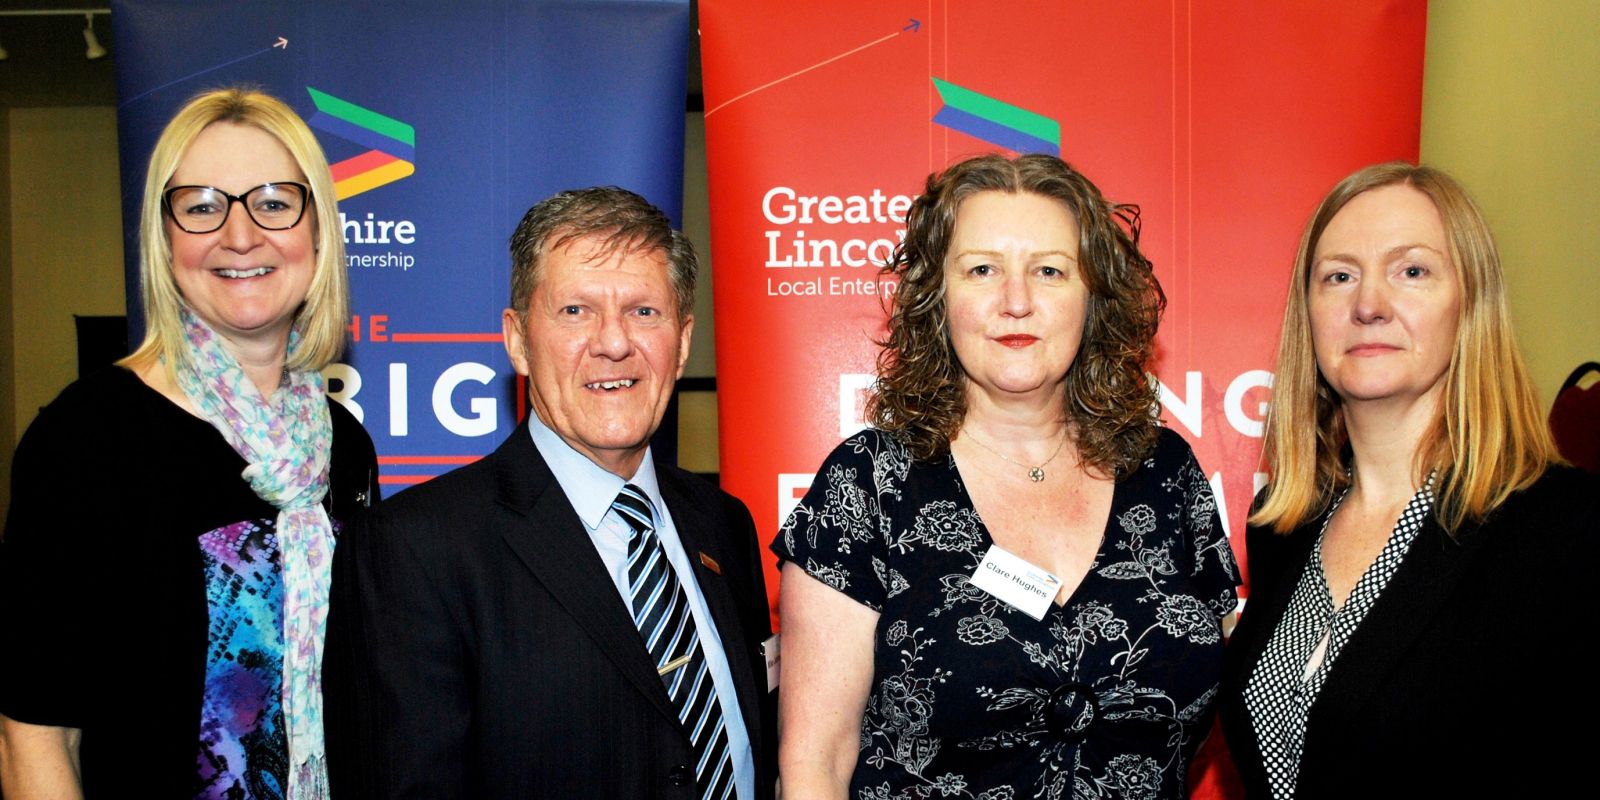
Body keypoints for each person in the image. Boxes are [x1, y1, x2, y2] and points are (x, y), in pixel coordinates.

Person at [773, 154, 1238, 799]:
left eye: (1049, 271)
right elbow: (814, 767)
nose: (1015, 302)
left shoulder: (1166, 473)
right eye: (982, 269)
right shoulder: (868, 486)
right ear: (937, 299)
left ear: (1094, 298)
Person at [323, 187, 775, 799]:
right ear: (517, 340)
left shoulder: (722, 523)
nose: (614, 342)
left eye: (645, 311)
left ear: (684, 339)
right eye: (575, 311)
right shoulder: (413, 549)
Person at [0, 88, 376, 799]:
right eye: (202, 204)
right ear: (165, 238)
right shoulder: (84, 440)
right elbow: (35, 737)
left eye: (273, 201)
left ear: (317, 233)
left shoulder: (343, 447)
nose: (241, 235)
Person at [1217, 162, 1598, 798]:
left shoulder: (1568, 532)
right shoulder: (1282, 526)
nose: (1368, 305)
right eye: (1338, 276)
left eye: (1411, 271)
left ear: (1470, 303)